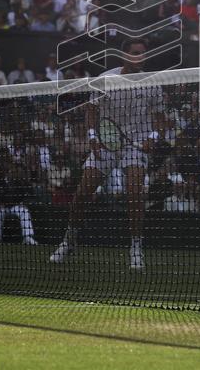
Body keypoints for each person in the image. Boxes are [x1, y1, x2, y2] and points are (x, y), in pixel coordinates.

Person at [50, 38, 161, 271]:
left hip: (136, 144)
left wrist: (154, 138)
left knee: (134, 193)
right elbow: (91, 109)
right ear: (124, 55)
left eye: (142, 53)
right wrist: (92, 137)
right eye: (135, 53)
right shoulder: (107, 79)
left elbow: (159, 117)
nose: (139, 57)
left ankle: (135, 247)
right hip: (107, 143)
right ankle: (68, 241)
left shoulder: (153, 83)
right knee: (82, 193)